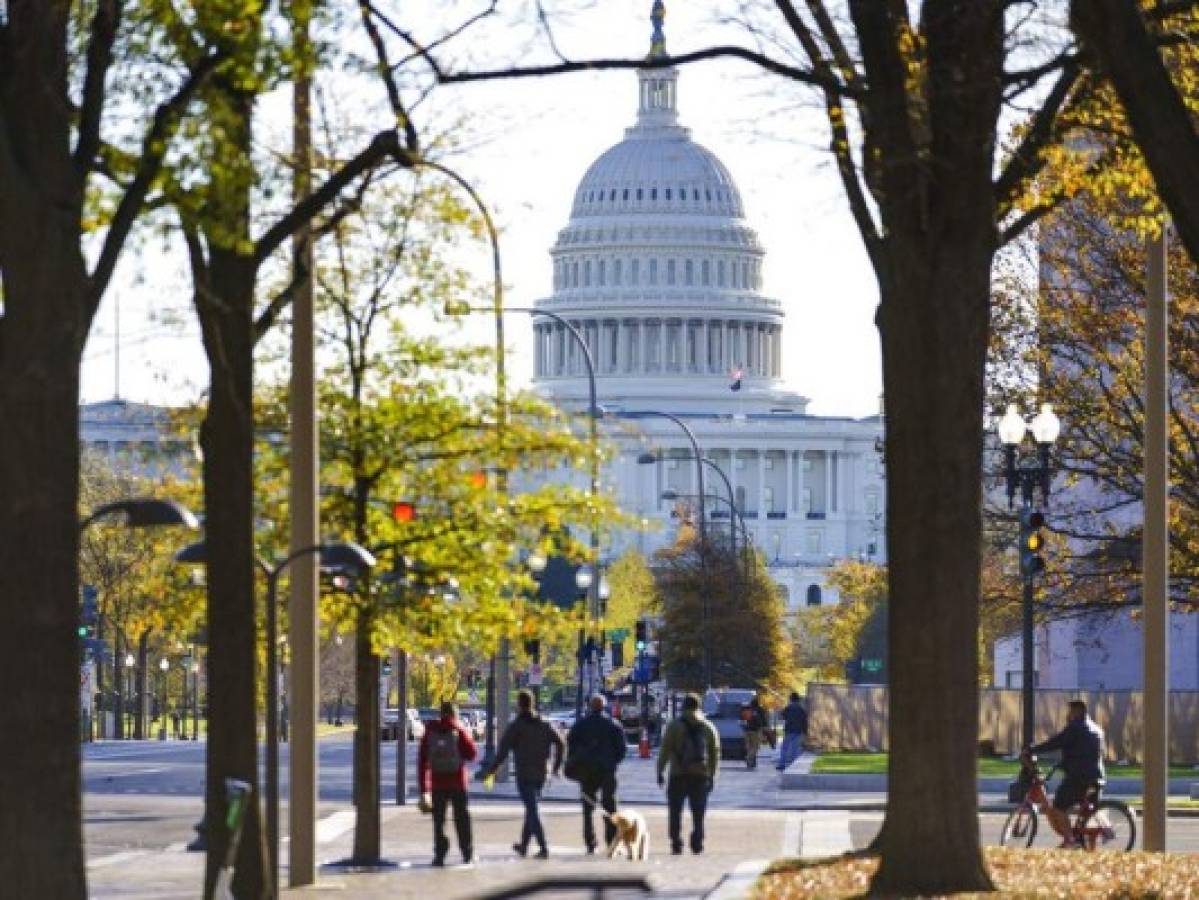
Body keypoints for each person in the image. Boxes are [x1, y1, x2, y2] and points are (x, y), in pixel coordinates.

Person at [482, 689, 565, 859]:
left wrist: (491, 771)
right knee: (531, 808)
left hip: (524, 773)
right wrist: (556, 766)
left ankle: (543, 847)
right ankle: (524, 846)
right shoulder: (544, 724)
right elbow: (561, 743)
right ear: (532, 703)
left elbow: (503, 751)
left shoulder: (517, 726)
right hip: (542, 773)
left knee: (533, 810)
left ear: (519, 705)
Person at [1024, 699, 1105, 848]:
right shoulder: (1096, 728)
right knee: (1081, 811)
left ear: (1077, 711)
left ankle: (1070, 841)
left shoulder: (1076, 727)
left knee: (1059, 807)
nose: (1068, 715)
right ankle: (1081, 842)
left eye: (1070, 711)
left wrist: (1033, 749)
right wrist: (1063, 764)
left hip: (1079, 777)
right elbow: (1084, 752)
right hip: (1096, 776)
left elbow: (1056, 742)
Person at [657, 693, 720, 855]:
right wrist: (712, 775)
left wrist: (660, 771)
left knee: (675, 810)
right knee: (698, 812)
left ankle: (676, 842)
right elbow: (715, 753)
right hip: (700, 775)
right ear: (698, 707)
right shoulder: (708, 727)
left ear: (683, 706)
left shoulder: (674, 726)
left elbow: (665, 750)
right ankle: (697, 841)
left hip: (678, 774)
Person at [418, 700, 479, 866]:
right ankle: (467, 853)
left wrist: (424, 788)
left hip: (438, 783)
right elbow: (472, 753)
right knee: (462, 819)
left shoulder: (430, 731)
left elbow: (422, 761)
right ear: (454, 713)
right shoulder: (458, 729)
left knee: (439, 821)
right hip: (458, 781)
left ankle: (440, 854)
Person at [566, 694, 627, 853]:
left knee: (587, 808)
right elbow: (621, 749)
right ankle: (611, 840)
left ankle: (590, 841)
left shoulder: (581, 725)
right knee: (610, 807)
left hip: (587, 771)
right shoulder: (613, 725)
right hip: (606, 770)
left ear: (590, 707)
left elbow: (571, 745)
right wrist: (613, 763)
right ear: (604, 706)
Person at [776, 692, 808, 771]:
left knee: (784, 748)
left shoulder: (788, 708)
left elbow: (781, 717)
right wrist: (805, 732)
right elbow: (805, 721)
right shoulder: (801, 709)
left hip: (789, 730)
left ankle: (782, 764)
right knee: (795, 749)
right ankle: (794, 765)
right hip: (798, 731)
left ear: (791, 699)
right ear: (798, 700)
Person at [741, 694, 768, 770]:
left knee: (749, 747)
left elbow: (742, 719)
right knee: (755, 747)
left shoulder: (746, 710)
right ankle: (749, 759)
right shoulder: (760, 710)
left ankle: (751, 763)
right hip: (755, 731)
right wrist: (764, 728)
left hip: (746, 731)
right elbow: (763, 721)